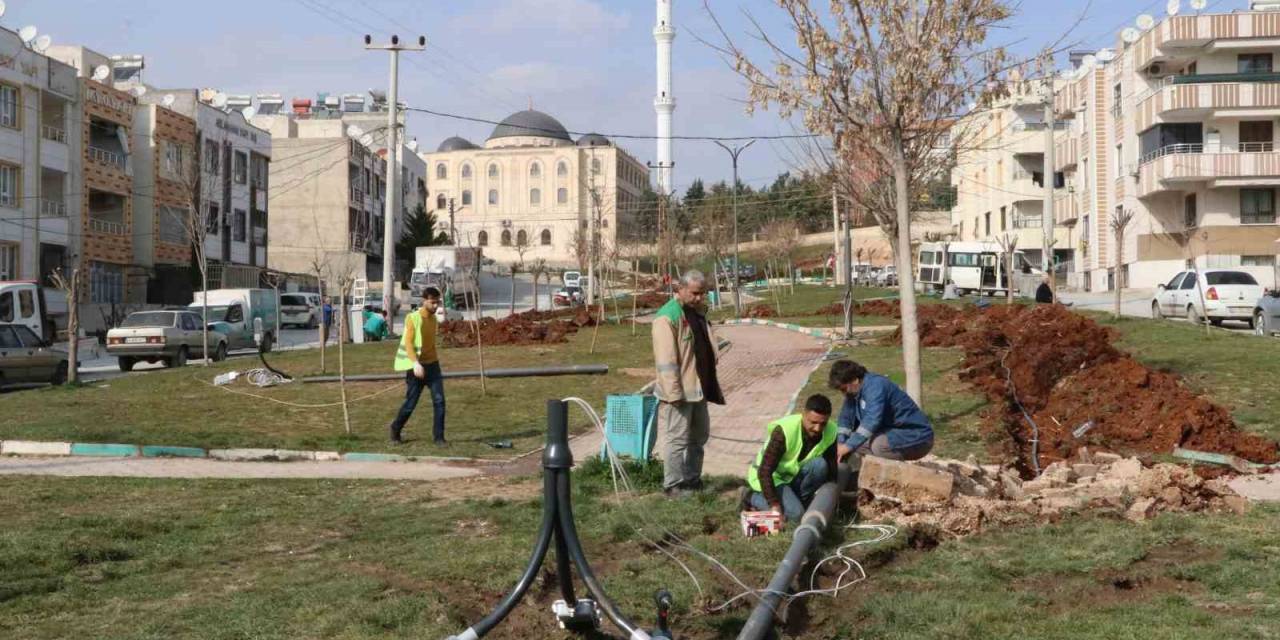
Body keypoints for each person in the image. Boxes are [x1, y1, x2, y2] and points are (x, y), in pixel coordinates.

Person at [652, 270, 725, 497]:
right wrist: (674, 394)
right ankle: (672, 486)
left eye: (702, 293)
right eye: (694, 293)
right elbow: (666, 362)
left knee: (699, 437)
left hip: (699, 389)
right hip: (680, 392)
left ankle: (692, 480)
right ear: (680, 289)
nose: (698, 298)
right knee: (677, 439)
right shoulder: (667, 317)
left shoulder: (697, 312)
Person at [828, 360, 934, 475]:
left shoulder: (876, 386)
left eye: (844, 389)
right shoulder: (854, 392)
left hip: (917, 437)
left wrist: (847, 446)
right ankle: (868, 476)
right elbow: (845, 419)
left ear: (855, 380)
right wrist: (841, 443)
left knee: (879, 446)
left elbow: (872, 420)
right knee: (855, 442)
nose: (843, 393)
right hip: (892, 433)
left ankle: (896, 479)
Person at [744, 394, 838, 523]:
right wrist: (774, 505)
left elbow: (831, 464)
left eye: (823, 424)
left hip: (791, 476)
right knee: (796, 515)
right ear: (803, 415)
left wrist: (833, 492)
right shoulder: (784, 431)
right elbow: (764, 471)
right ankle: (751, 496)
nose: (818, 428)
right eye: (813, 422)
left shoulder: (831, 430)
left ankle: (796, 503)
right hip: (771, 478)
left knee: (820, 465)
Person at [388, 287, 447, 445]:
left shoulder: (433, 319)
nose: (436, 306)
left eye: (437, 302)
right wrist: (415, 363)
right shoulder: (412, 318)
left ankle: (439, 438)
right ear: (424, 301)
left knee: (439, 401)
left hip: (433, 366)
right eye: (432, 302)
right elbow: (408, 342)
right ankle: (395, 429)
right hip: (417, 367)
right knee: (410, 404)